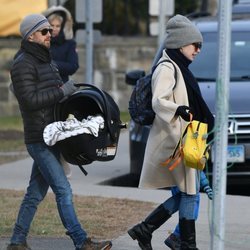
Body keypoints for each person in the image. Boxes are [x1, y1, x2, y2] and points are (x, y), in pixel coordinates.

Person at [7, 14, 112, 250]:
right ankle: (80, 241)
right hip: (38, 138)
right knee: (63, 189)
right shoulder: (22, 63)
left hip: (54, 133)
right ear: (30, 35)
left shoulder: (46, 60)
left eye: (49, 30)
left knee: (35, 193)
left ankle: (16, 241)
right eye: (44, 31)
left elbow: (55, 94)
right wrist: (63, 90)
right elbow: (30, 100)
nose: (50, 34)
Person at [127, 14, 214, 250]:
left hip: (190, 138)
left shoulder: (180, 67)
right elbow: (159, 101)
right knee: (189, 193)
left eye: (200, 46)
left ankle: (146, 230)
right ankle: (184, 243)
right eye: (195, 45)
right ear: (181, 44)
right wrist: (180, 109)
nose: (198, 50)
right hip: (176, 140)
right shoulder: (167, 68)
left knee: (189, 192)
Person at [43, 5, 79, 178]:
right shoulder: (42, 43)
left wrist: (52, 65)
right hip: (44, 90)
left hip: (62, 91)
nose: (55, 29)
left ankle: (64, 161)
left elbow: (73, 66)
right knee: (45, 129)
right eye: (52, 26)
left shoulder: (69, 44)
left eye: (58, 26)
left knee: (61, 128)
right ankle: (49, 166)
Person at [164, 171, 213, 249]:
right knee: (190, 214)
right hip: (186, 183)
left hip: (184, 181)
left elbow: (197, 168)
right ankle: (177, 238)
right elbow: (195, 165)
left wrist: (205, 185)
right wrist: (205, 185)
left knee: (189, 215)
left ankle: (179, 239)